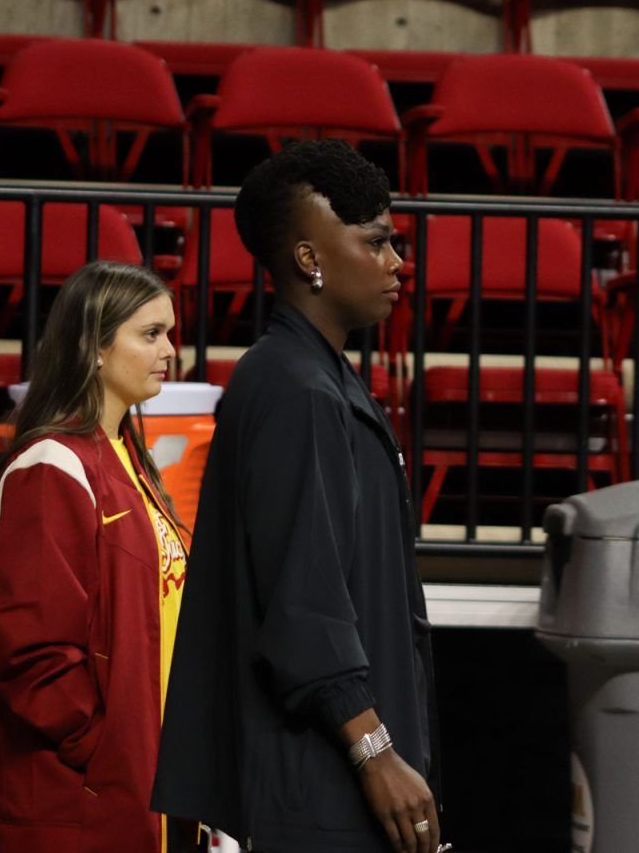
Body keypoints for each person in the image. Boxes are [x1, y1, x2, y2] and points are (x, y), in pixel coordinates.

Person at [152, 139, 441, 853]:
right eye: (376, 243)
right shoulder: (294, 388)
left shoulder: (317, 378)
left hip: (326, 775)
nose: (397, 261)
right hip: (318, 782)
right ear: (310, 260)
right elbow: (303, 601)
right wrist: (374, 752)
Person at [0, 261, 195, 853]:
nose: (170, 350)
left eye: (169, 333)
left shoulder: (130, 459)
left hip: (149, 789)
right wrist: (105, 749)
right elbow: (36, 656)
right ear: (93, 347)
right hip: (81, 804)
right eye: (150, 334)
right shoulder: (50, 467)